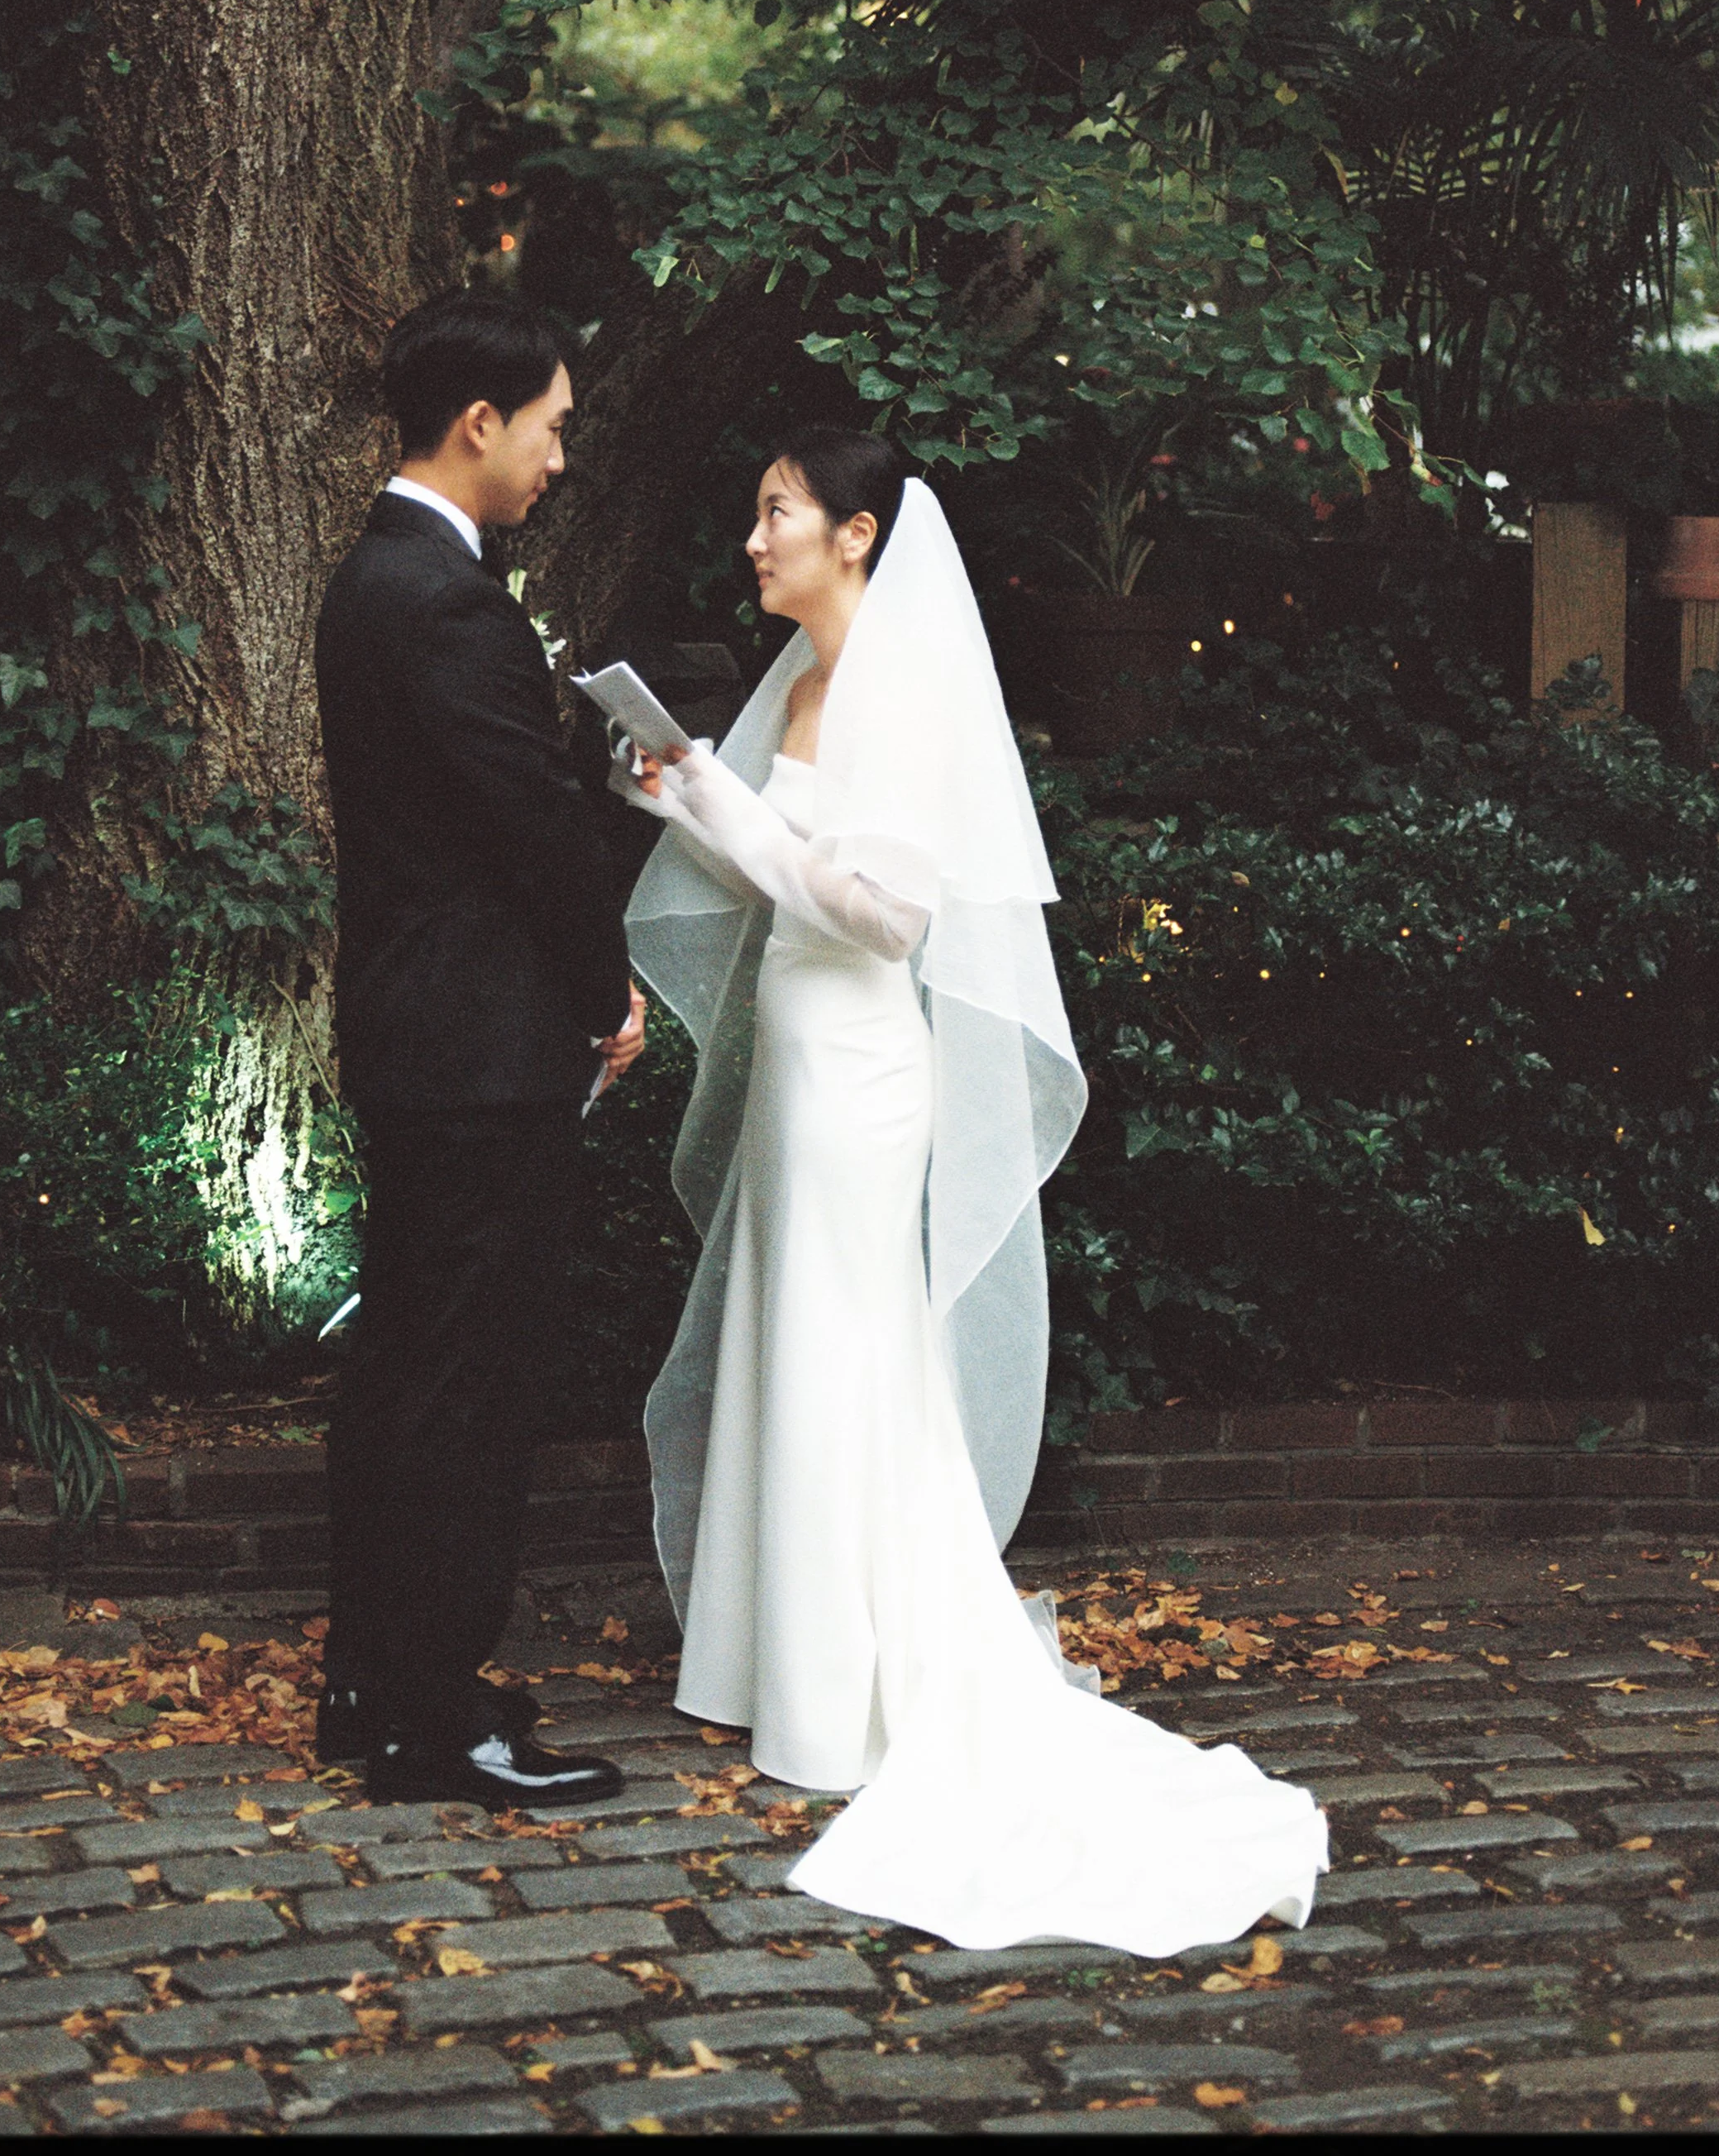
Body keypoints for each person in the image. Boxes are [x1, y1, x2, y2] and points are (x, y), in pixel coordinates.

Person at [613, 429, 1328, 1952]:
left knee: (851, 1341)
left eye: (778, 512)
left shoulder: (909, 689)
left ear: (858, 534)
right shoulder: (799, 684)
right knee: (784, 1330)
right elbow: (783, 871)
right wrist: (688, 794)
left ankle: (854, 1684)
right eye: (759, 512)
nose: (756, 539)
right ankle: (770, 1665)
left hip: (866, 1067)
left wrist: (733, 817)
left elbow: (886, 915)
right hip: (799, 1060)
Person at [313, 286, 645, 1806]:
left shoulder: (385, 576)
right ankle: (436, 1722)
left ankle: (379, 1681)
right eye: (553, 430)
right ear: (479, 424)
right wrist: (606, 993)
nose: (559, 460)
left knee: (407, 1368)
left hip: (422, 1034)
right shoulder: (439, 596)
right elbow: (528, 833)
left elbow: (486, 791)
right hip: (478, 1044)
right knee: (466, 1381)